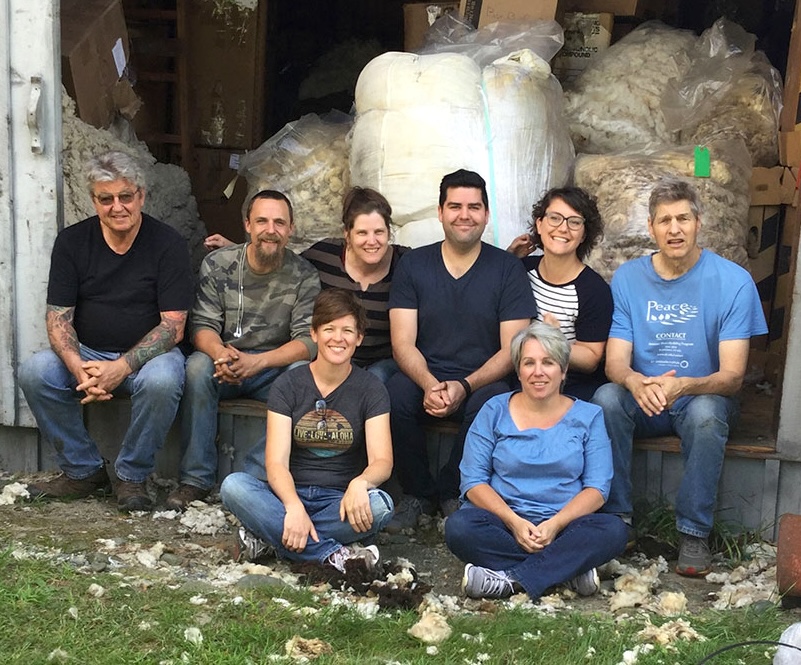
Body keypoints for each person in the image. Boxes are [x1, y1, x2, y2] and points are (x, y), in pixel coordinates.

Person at [591, 178, 768, 577]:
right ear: (651, 228)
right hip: (645, 397)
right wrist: (636, 382)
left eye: (683, 218)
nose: (675, 229)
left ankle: (693, 532)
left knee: (706, 414)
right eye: (665, 220)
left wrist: (684, 384)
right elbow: (615, 363)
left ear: (698, 222)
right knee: (605, 399)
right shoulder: (628, 279)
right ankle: (617, 522)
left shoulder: (733, 281)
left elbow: (733, 376)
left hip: (702, 397)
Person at [18, 151, 193, 512]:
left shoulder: (169, 244)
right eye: (106, 198)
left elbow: (173, 327)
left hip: (147, 360)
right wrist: (77, 365)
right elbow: (58, 319)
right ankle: (83, 471)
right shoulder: (71, 243)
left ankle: (131, 476)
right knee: (35, 372)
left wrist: (121, 368)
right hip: (89, 354)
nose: (117, 207)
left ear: (141, 196)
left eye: (125, 196)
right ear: (93, 200)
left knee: (164, 380)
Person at [386, 169, 537, 529]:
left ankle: (454, 491)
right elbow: (402, 342)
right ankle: (417, 494)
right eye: (455, 206)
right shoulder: (414, 265)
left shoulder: (506, 270)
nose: (464, 215)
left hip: (483, 379)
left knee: (493, 401)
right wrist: (427, 383)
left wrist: (465, 385)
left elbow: (511, 349)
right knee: (391, 395)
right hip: (426, 374)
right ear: (440, 212)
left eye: (474, 207)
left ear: (486, 215)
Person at [445, 322, 628, 600]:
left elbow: (597, 489)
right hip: (503, 524)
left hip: (565, 527)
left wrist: (554, 525)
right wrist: (515, 522)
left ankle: (511, 581)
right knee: (459, 527)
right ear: (518, 370)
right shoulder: (494, 409)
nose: (538, 372)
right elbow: (472, 481)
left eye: (549, 362)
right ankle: (566, 570)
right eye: (528, 363)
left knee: (613, 530)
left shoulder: (589, 416)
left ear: (564, 370)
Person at [166, 190, 320, 511]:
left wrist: (257, 362)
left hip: (271, 370)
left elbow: (307, 341)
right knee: (196, 367)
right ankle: (195, 479)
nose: (270, 229)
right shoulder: (219, 264)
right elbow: (202, 327)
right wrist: (221, 354)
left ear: (291, 229)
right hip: (225, 364)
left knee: (305, 376)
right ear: (247, 225)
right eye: (262, 220)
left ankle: (256, 477)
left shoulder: (304, 274)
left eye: (280, 222)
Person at [220, 289, 395, 571]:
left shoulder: (371, 389)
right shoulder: (289, 384)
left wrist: (360, 483)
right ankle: (331, 554)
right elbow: (275, 461)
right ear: (314, 334)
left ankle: (272, 538)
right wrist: (292, 507)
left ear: (359, 338)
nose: (338, 338)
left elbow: (382, 461)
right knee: (234, 486)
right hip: (287, 494)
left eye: (348, 330)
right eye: (329, 329)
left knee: (381, 506)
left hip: (338, 502)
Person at [508, 186, 612, 401]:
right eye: (555, 218)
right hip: (520, 376)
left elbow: (591, 358)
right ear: (539, 223)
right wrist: (509, 259)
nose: (563, 229)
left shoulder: (593, 289)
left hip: (569, 384)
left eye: (574, 222)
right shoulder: (521, 270)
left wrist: (555, 341)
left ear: (584, 234)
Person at [301, 187, 408, 383]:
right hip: (332, 355)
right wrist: (236, 249)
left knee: (373, 379)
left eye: (379, 232)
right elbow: (284, 265)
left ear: (389, 232)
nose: (372, 241)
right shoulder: (323, 255)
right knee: (300, 372)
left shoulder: (406, 263)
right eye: (362, 233)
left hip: (383, 362)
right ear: (347, 234)